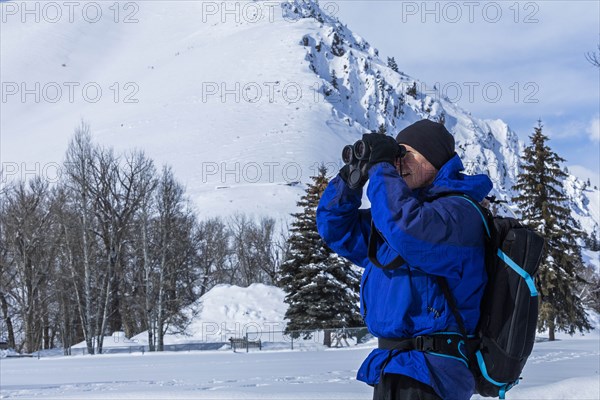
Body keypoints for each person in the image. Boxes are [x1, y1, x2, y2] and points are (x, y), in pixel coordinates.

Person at [316, 119, 493, 400]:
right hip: (394, 365)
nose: (400, 162)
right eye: (397, 155)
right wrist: (350, 179)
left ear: (434, 159)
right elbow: (335, 228)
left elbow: (407, 230)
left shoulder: (458, 213)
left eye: (407, 154)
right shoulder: (404, 215)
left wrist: (381, 168)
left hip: (432, 372)